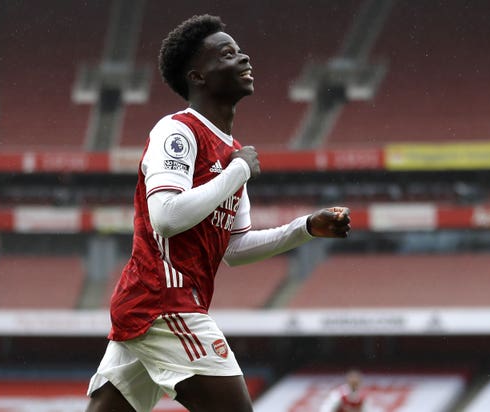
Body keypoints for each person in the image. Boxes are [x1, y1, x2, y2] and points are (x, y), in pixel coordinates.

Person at [86, 14, 351, 412]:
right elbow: (167, 216)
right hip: (165, 303)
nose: (244, 59)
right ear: (198, 77)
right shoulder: (178, 132)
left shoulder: (230, 151)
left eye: (240, 51)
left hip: (150, 308)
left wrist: (306, 228)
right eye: (227, 54)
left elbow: (236, 248)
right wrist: (239, 170)